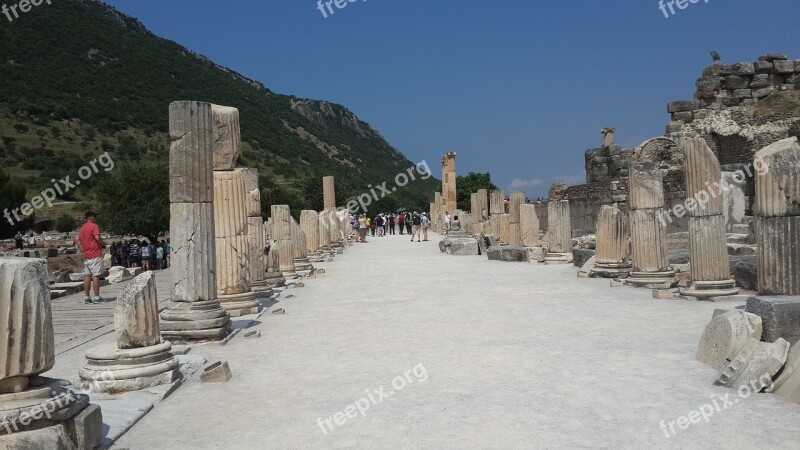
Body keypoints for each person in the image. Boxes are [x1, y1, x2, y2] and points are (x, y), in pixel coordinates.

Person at [77, 211, 106, 304]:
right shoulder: (94, 226)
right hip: (95, 254)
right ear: (90, 217)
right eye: (94, 216)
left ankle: (87, 297)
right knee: (96, 275)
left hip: (87, 256)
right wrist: (103, 244)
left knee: (87, 276)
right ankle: (97, 297)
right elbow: (97, 237)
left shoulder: (82, 228)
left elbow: (78, 242)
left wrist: (83, 250)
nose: (95, 218)